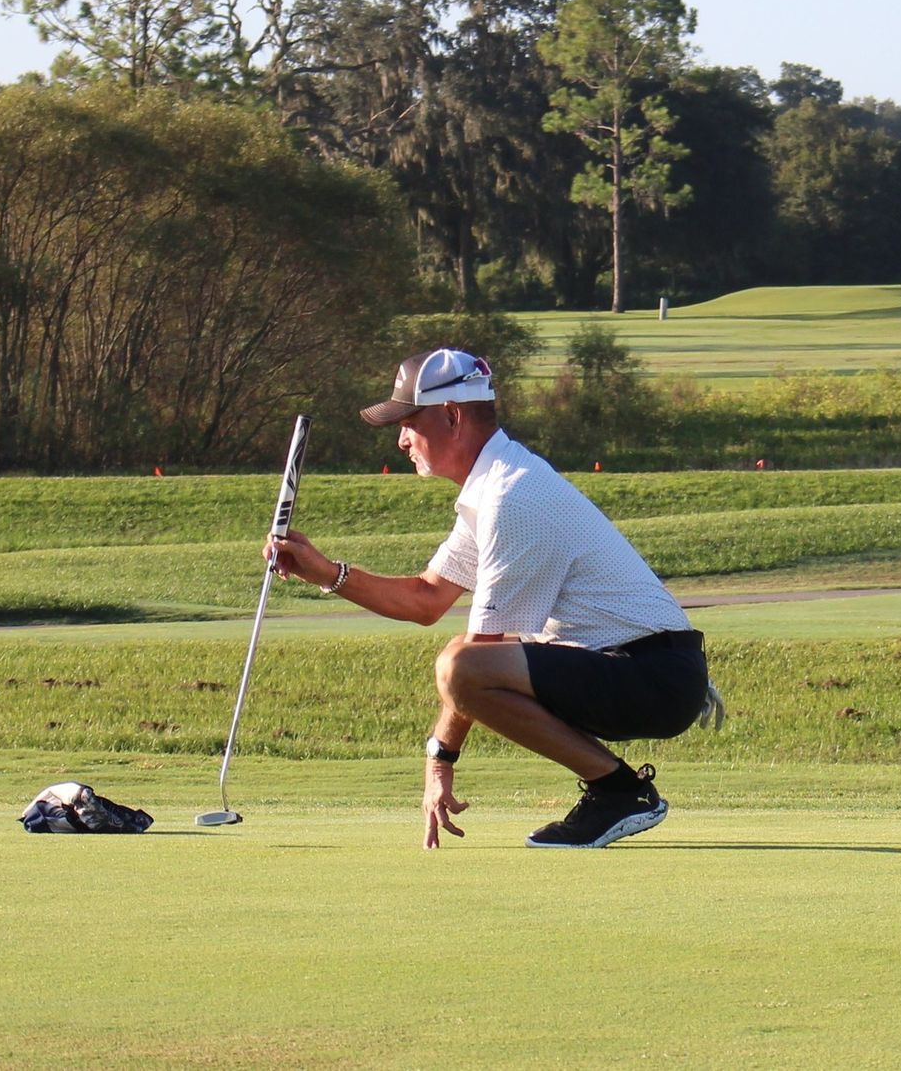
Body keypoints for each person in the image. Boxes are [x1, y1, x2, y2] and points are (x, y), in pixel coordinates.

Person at [266, 347, 719, 849]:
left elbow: (477, 659)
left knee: (460, 663)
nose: (400, 440)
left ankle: (618, 791)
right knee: (461, 658)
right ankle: (615, 789)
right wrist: (325, 572)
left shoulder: (512, 495)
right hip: (637, 668)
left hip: (652, 676)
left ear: (452, 417)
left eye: (409, 423)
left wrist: (439, 759)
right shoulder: (491, 486)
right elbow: (426, 599)